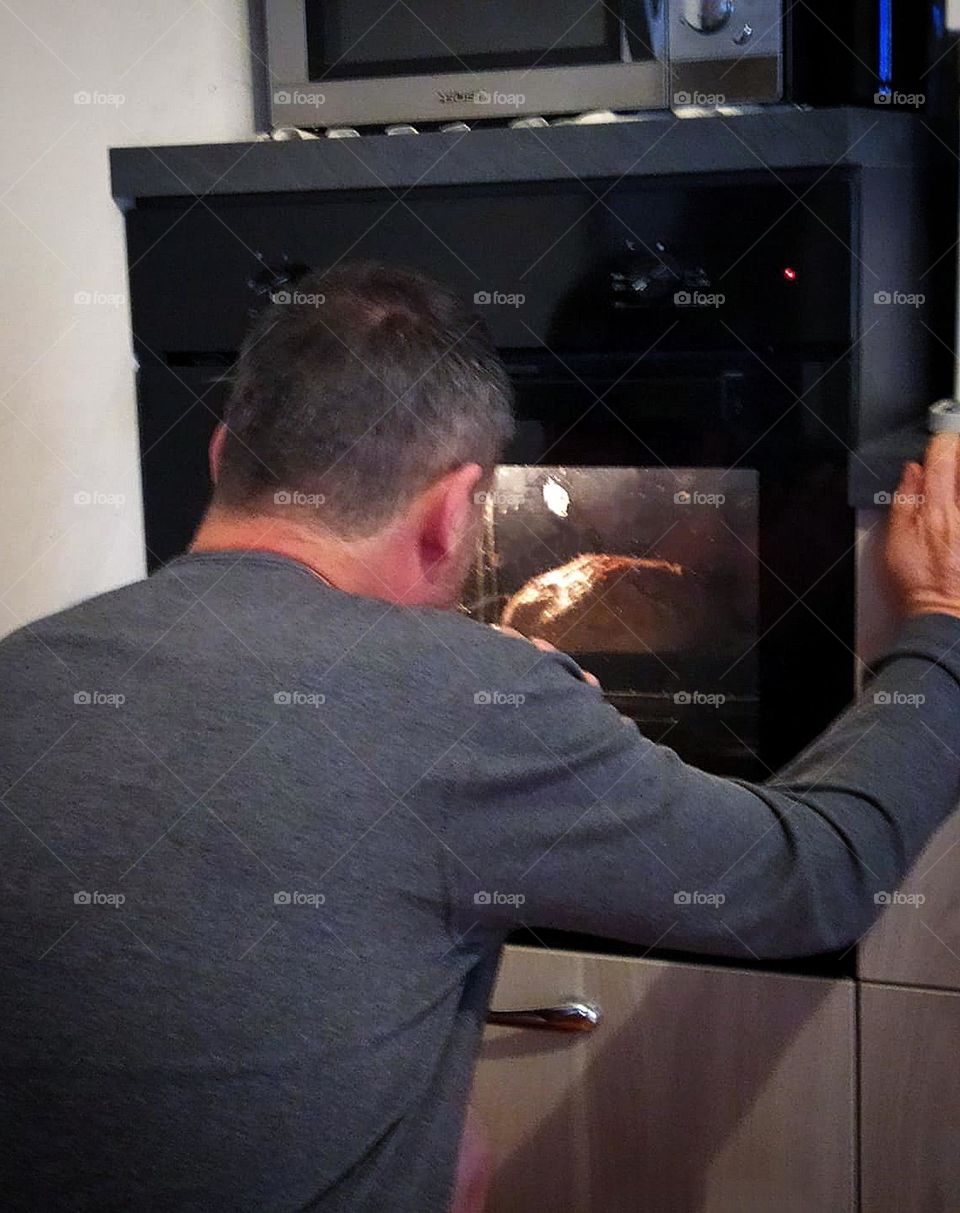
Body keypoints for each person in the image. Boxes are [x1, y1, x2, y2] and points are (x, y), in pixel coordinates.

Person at [0, 260, 959, 1212]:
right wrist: (940, 619)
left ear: (220, 458)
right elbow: (815, 877)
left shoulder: (24, 665)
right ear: (458, 509)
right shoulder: (463, 699)